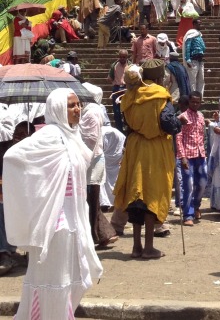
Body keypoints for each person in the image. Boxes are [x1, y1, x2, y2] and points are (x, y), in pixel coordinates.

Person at [3, 89, 103, 318]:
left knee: (73, 276)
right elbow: (13, 157)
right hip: (56, 221)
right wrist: (39, 187)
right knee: (55, 277)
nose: (77, 109)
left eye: (78, 104)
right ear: (58, 108)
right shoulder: (49, 135)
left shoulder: (72, 136)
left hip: (74, 216)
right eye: (71, 105)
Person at [113, 61, 179, 258]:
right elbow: (168, 123)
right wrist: (179, 123)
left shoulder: (131, 95)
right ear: (159, 77)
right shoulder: (160, 95)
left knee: (136, 195)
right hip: (155, 148)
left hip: (135, 146)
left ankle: (136, 247)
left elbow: (123, 121)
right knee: (152, 194)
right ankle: (149, 247)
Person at [80, 98, 117, 248]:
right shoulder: (88, 111)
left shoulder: (92, 113)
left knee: (91, 199)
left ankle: (98, 235)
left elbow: (91, 139)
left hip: (92, 160)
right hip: (89, 160)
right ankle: (102, 234)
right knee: (90, 200)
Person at [175, 91, 207, 226]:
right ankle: (188, 214)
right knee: (188, 185)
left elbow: (202, 135)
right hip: (187, 156)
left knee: (203, 183)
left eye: (197, 102)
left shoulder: (201, 116)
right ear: (189, 102)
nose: (195, 104)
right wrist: (182, 157)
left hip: (200, 155)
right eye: (193, 102)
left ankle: (196, 206)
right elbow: (178, 138)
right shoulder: (182, 117)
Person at [108, 49, 130, 132]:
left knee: (127, 110)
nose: (122, 59)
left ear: (127, 57)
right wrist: (114, 83)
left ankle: (128, 128)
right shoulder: (114, 65)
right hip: (117, 88)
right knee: (117, 111)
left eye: (124, 57)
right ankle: (119, 129)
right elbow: (109, 77)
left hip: (126, 89)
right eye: (120, 57)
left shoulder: (130, 65)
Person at [182, 19, 206, 95]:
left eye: (201, 24)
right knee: (192, 80)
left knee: (201, 79)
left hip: (200, 60)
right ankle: (193, 95)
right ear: (194, 25)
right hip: (193, 60)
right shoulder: (191, 34)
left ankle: (200, 96)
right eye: (199, 24)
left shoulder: (199, 34)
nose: (200, 25)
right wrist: (188, 59)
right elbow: (187, 47)